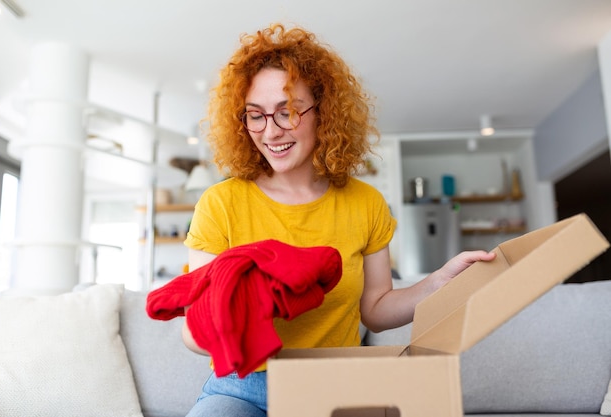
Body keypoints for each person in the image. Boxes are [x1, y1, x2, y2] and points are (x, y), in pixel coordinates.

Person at [181, 23, 496, 417]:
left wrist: (438, 282)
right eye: (255, 116)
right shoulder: (220, 203)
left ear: (323, 111)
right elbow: (194, 334)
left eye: (288, 112)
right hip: (239, 389)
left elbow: (376, 311)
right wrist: (232, 315)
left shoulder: (365, 203)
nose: (271, 131)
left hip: (333, 386)